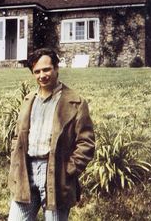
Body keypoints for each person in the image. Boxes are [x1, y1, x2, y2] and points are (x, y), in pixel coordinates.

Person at [8, 48, 95, 221]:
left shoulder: (75, 101)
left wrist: (68, 170)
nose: (42, 75)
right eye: (37, 71)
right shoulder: (29, 99)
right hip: (26, 171)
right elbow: (18, 135)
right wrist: (15, 161)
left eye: (46, 69)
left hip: (55, 174)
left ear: (56, 68)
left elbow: (87, 143)